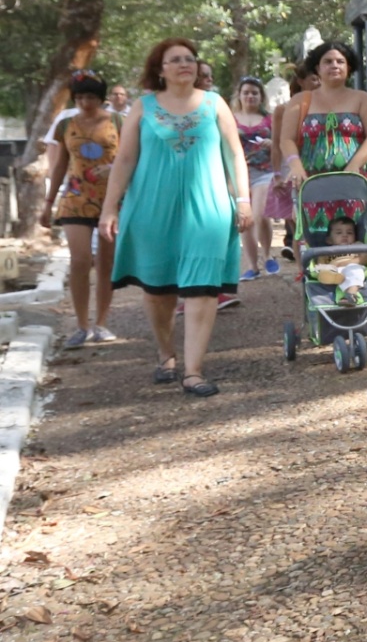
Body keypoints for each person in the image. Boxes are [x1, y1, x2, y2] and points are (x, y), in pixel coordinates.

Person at [98, 39, 250, 398]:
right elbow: (125, 160)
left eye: (190, 59)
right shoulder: (143, 106)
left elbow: (234, 154)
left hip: (208, 208)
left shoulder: (215, 104)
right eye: (176, 59)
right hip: (151, 208)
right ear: (160, 69)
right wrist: (109, 207)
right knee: (158, 290)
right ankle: (166, 353)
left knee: (203, 288)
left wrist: (243, 200)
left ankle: (194, 371)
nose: (185, 64)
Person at [38, 71, 120, 348]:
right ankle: (82, 325)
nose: (86, 103)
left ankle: (102, 323)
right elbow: (60, 164)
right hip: (75, 197)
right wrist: (48, 202)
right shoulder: (65, 124)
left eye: (91, 97)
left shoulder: (118, 122)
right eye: (81, 97)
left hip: (111, 199)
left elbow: (131, 158)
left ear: (102, 98)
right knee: (80, 260)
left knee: (106, 263)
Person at [279, 42, 367, 245]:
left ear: (348, 67)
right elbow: (286, 139)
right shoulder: (300, 101)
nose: (334, 65)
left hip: (356, 183)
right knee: (316, 240)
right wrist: (296, 166)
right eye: (327, 61)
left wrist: (354, 166)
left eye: (340, 61)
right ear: (317, 68)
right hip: (314, 184)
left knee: (355, 239)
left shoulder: (362, 98)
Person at [266, 65, 319, 261]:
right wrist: (277, 175)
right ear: (301, 81)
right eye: (313, 79)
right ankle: (302, 270)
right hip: (290, 169)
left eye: (319, 79)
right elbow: (277, 144)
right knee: (297, 225)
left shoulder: (326, 108)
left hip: (317, 167)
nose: (318, 83)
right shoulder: (283, 110)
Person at [232, 77, 276, 280]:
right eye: (246, 92)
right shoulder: (230, 118)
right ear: (239, 96)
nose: (250, 96)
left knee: (260, 214)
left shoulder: (270, 119)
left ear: (261, 96)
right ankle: (252, 266)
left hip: (264, 172)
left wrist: (272, 144)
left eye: (254, 93)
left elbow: (281, 143)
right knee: (245, 220)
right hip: (238, 173)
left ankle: (267, 255)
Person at [313, 216, 367, 303]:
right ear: (329, 240)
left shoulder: (356, 245)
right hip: (334, 270)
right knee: (322, 272)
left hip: (352, 266)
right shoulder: (326, 251)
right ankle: (333, 278)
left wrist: (346, 263)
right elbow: (320, 264)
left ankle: (351, 294)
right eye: (339, 233)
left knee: (354, 271)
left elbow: (365, 258)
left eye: (349, 233)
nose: (345, 235)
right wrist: (324, 268)